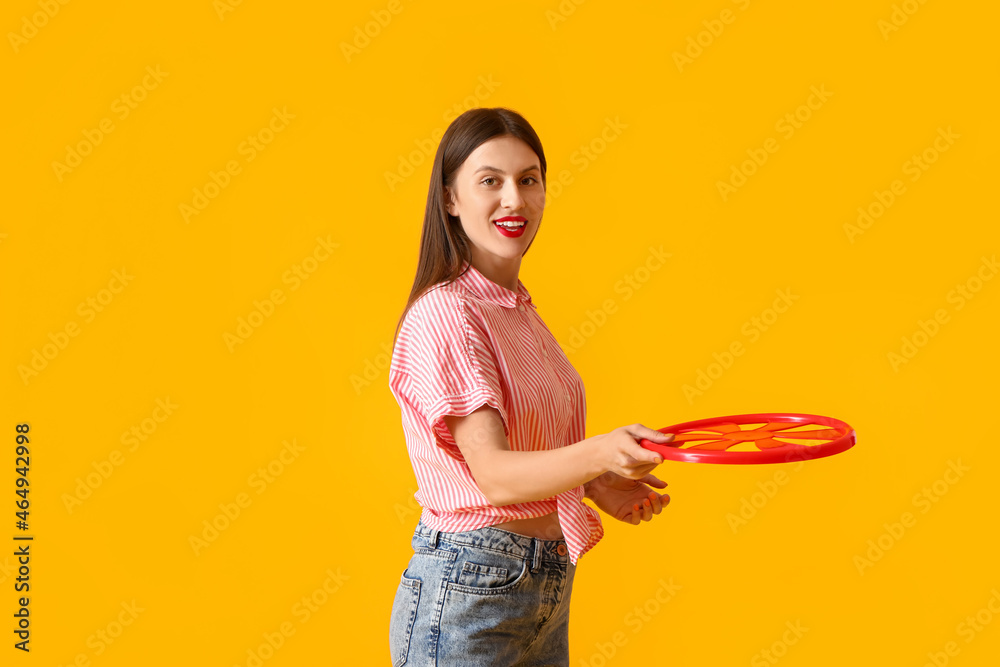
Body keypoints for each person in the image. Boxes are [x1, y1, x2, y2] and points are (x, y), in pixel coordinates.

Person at [387, 107, 674, 666]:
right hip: (471, 587)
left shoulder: (515, 309)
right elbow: (493, 476)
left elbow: (526, 452)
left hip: (541, 580)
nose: (514, 200)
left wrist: (595, 484)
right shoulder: (448, 313)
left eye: (529, 179)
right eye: (489, 181)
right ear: (450, 198)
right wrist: (601, 451)